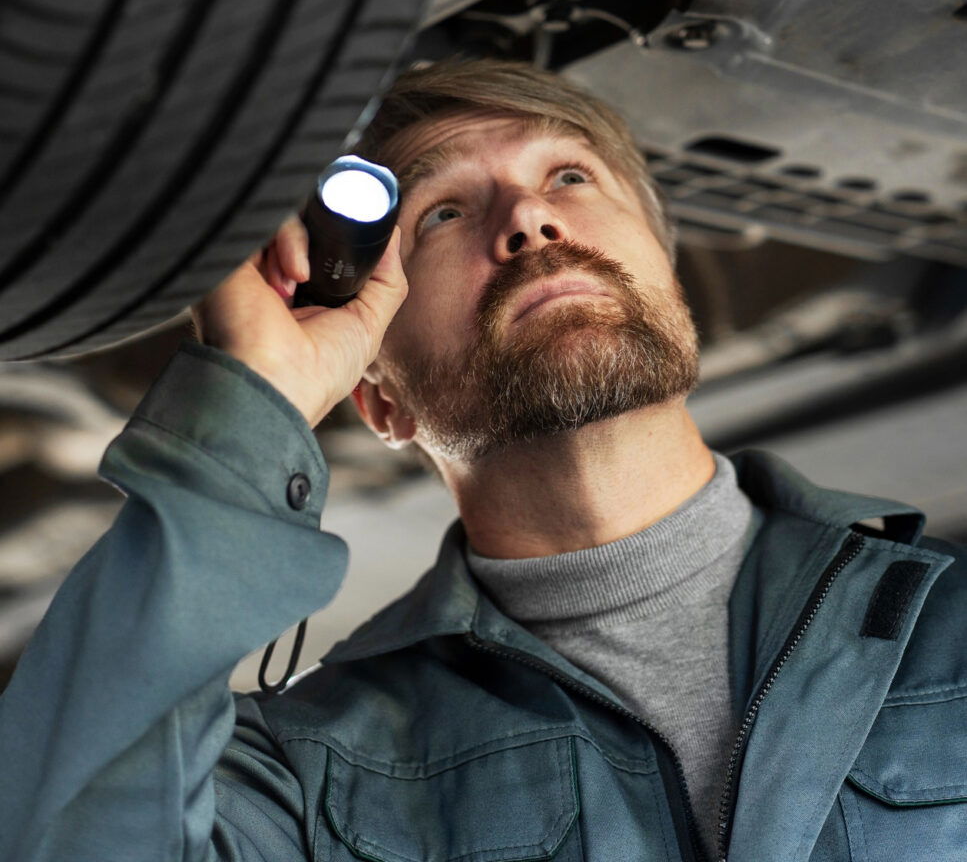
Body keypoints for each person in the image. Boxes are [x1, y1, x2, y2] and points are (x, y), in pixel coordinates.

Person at [1, 58, 964, 862]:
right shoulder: (315, 775)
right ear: (380, 398)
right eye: (442, 214)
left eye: (570, 178)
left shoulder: (947, 625)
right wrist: (252, 404)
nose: (530, 221)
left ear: (669, 280)